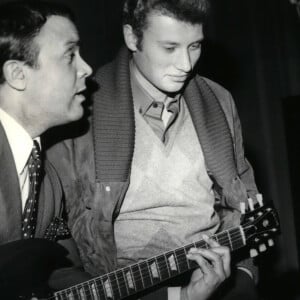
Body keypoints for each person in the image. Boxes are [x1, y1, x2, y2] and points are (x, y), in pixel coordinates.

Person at [48, 0, 260, 299]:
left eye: (195, 46)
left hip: (218, 279)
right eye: (170, 48)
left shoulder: (219, 100)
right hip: (124, 288)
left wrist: (244, 273)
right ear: (132, 38)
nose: (186, 65)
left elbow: (243, 200)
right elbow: (56, 240)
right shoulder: (77, 109)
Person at [0, 0, 92, 295]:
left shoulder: (48, 178)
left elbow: (62, 274)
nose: (87, 69)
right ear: (18, 74)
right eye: (70, 55)